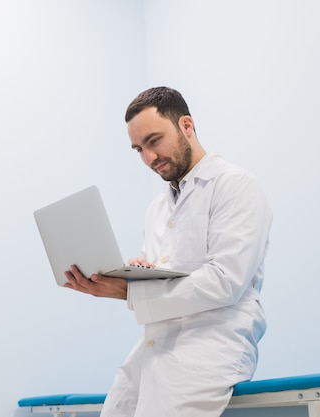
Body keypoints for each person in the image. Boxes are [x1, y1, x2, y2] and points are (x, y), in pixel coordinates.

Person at [63, 87, 272, 417]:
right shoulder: (157, 208)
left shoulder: (235, 186)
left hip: (212, 346)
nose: (148, 158)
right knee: (116, 408)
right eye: (138, 149)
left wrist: (134, 291)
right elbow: (164, 275)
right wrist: (138, 272)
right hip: (158, 345)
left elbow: (225, 281)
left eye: (154, 141)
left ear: (186, 126)